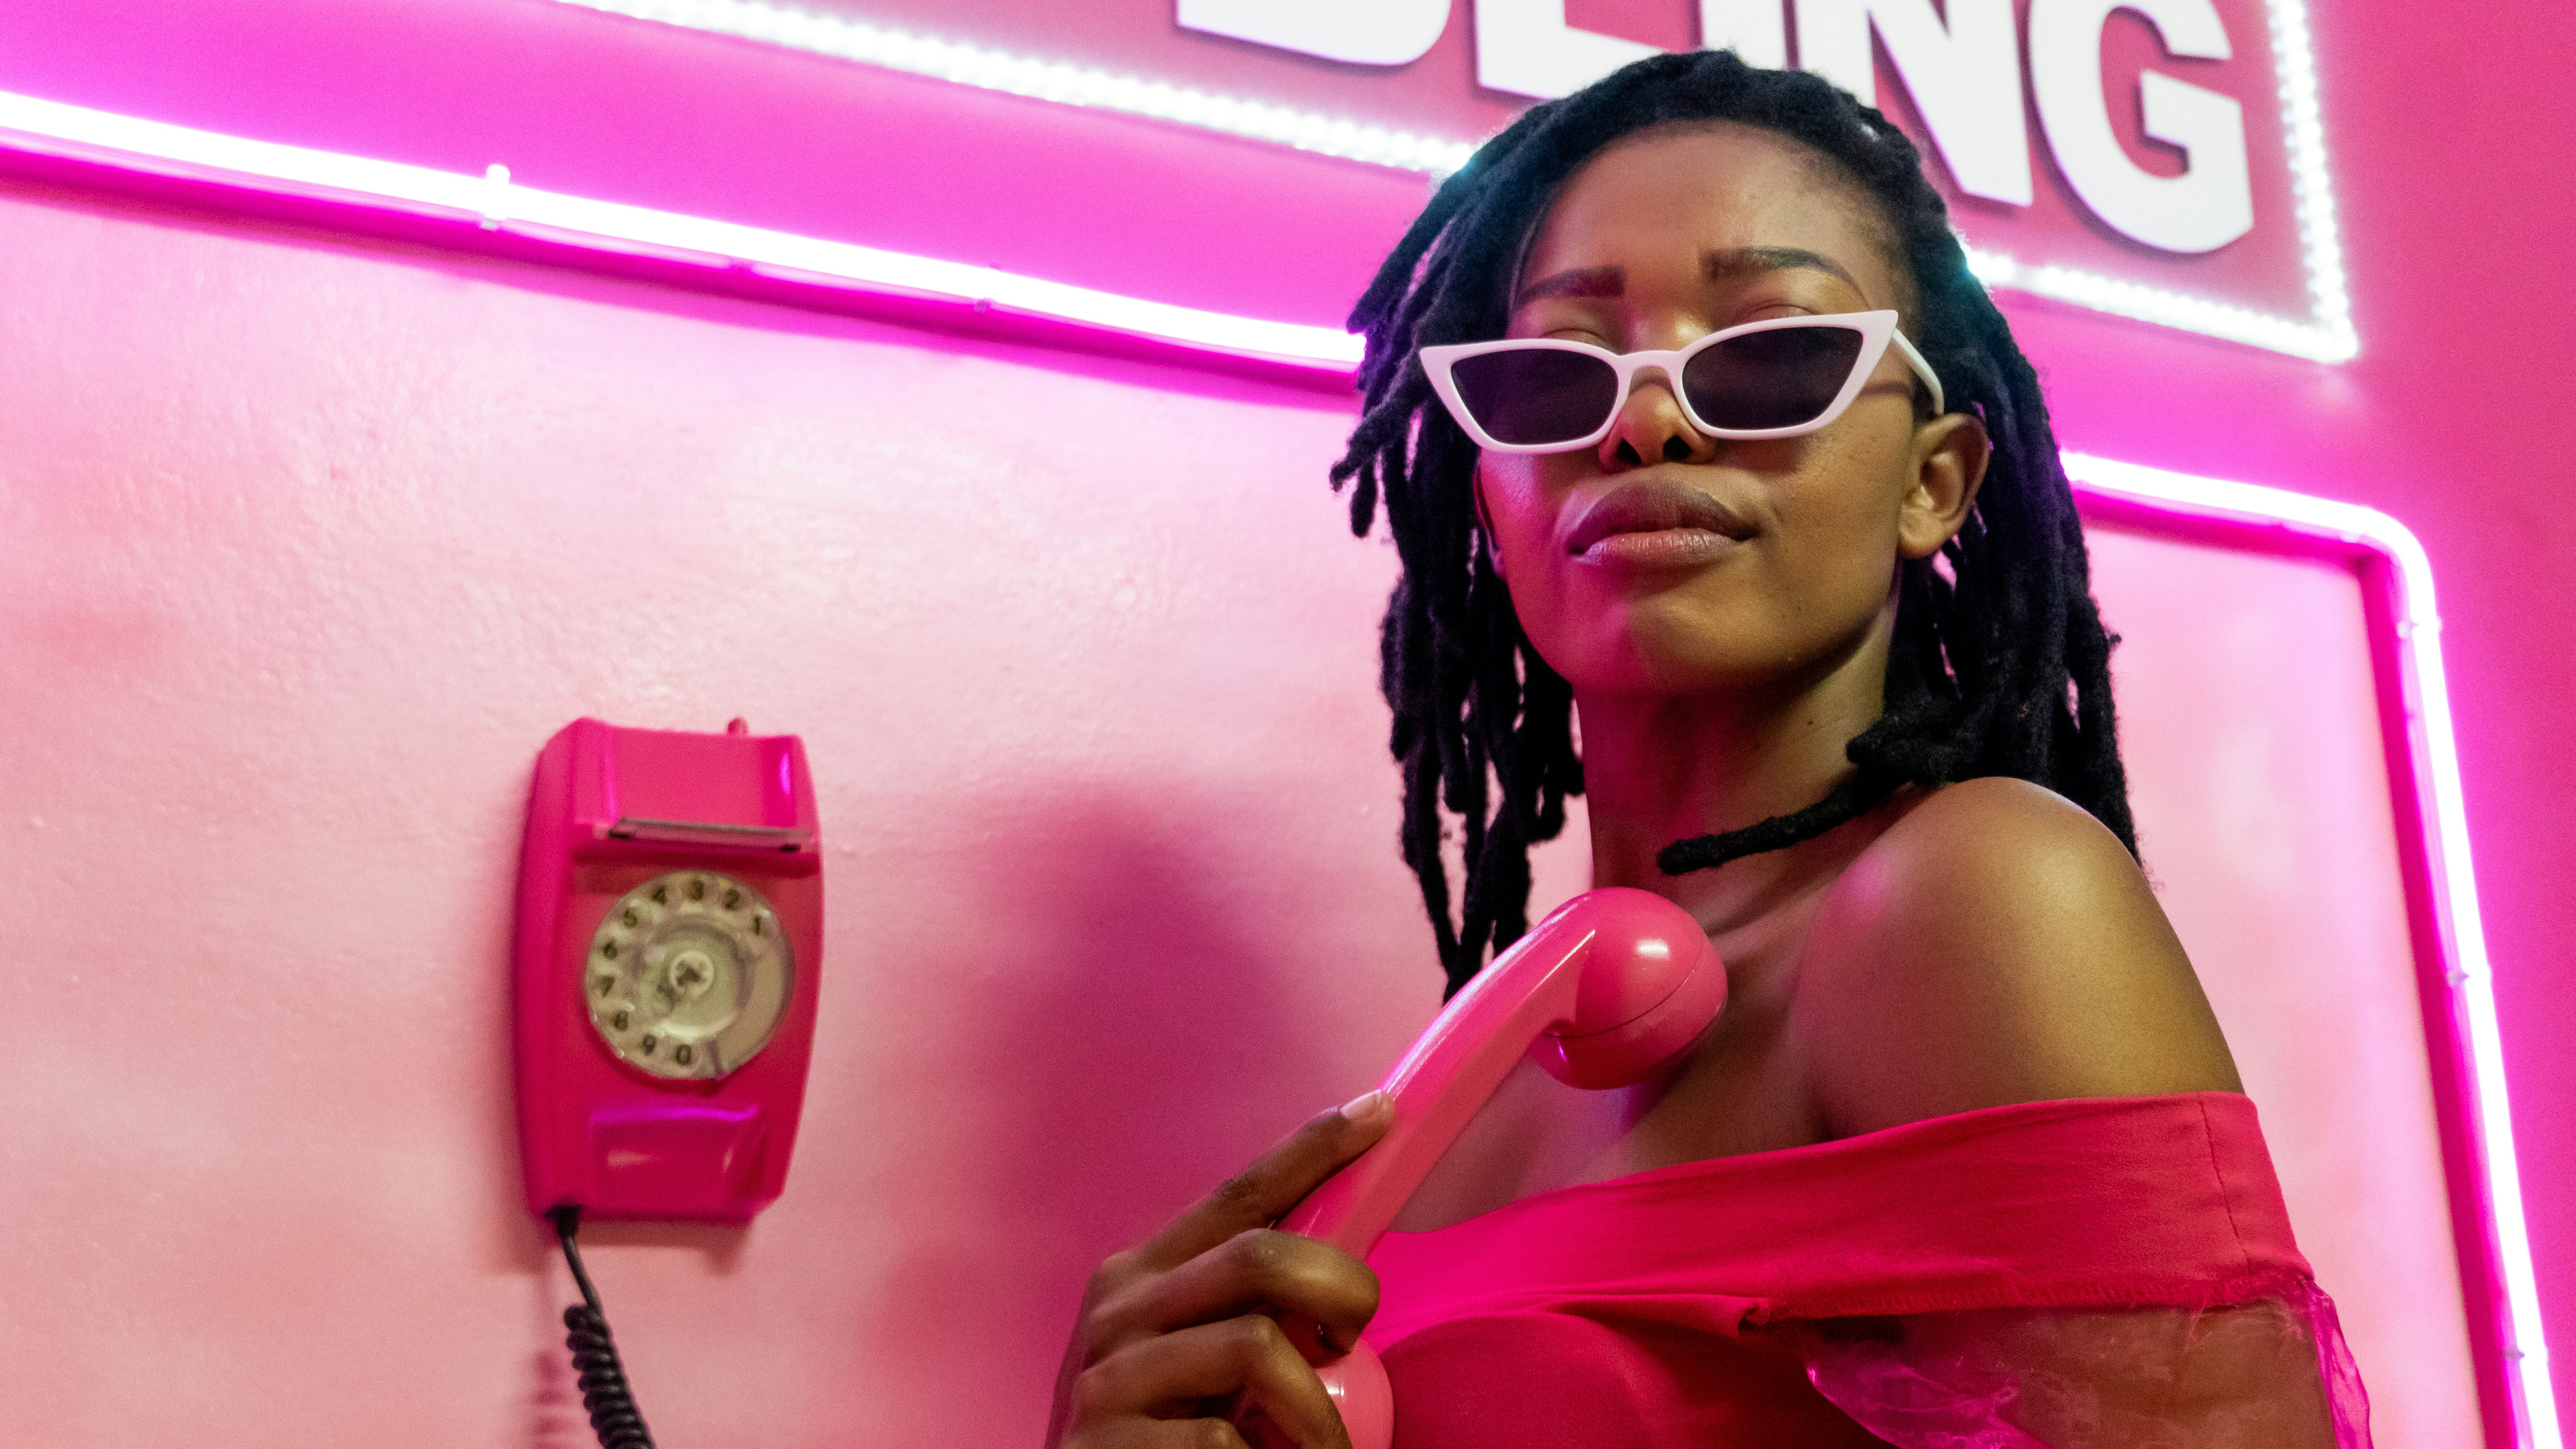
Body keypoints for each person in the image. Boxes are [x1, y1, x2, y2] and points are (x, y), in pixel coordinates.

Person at [1046, 50, 2367, 1449]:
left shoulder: (1976, 896)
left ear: (1934, 484)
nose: (1645, 421)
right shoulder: (1476, 1057)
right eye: (1555, 382)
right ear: (1492, 501)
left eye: (1776, 358)